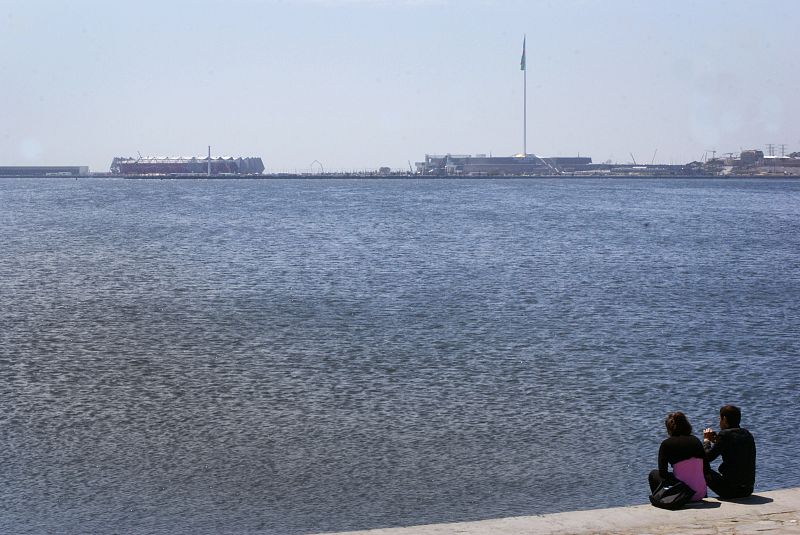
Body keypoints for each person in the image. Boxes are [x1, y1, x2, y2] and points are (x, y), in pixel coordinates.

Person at [649, 411, 708, 502]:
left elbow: (663, 473)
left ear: (669, 429)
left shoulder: (666, 444)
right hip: (701, 493)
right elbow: (706, 468)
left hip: (683, 495)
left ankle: (661, 500)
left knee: (653, 474)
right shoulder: (696, 441)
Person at [703, 404, 756, 498]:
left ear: (724, 419)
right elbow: (733, 448)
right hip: (748, 490)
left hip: (731, 491)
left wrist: (707, 441)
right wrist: (716, 441)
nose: (719, 422)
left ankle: (701, 496)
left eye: (719, 419)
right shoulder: (747, 434)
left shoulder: (724, 435)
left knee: (701, 467)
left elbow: (707, 458)